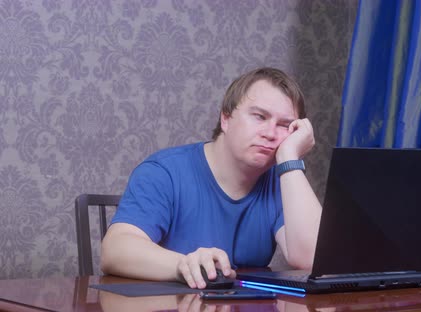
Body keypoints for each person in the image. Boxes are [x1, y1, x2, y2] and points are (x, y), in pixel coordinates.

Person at [100, 67, 322, 290]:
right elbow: (115, 250)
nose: (270, 133)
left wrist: (290, 159)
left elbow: (312, 260)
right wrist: (182, 264)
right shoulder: (164, 172)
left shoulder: (281, 181)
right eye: (259, 117)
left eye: (284, 125)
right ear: (226, 118)